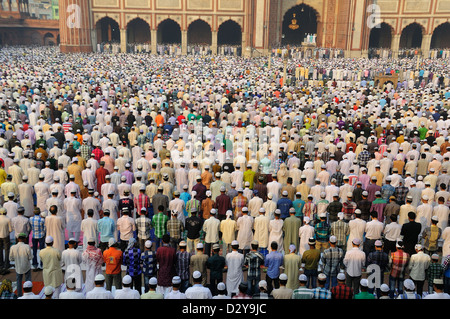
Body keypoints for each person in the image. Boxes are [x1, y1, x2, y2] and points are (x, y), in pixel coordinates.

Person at [9, 232, 32, 297]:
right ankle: (28, 294)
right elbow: (30, 257)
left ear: (18, 239)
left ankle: (19, 296)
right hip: (26, 266)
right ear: (25, 239)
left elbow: (11, 259)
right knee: (28, 281)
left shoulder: (13, 247)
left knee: (19, 281)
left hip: (18, 267)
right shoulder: (27, 247)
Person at [29, 207, 46, 271]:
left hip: (34, 236)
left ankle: (35, 264)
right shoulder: (42, 220)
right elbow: (44, 229)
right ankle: (42, 264)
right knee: (42, 251)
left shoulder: (31, 219)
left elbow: (30, 227)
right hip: (41, 236)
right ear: (39, 212)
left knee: (34, 251)